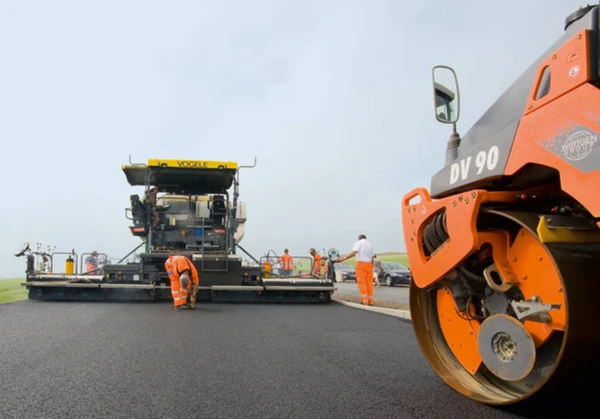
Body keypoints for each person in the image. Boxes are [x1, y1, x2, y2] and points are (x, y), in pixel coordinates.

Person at [337, 234, 375, 305]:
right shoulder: (370, 245)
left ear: (359, 238)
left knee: (362, 283)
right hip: (369, 265)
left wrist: (343, 258)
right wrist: (371, 267)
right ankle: (370, 301)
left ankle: (365, 301)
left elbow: (354, 252)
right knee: (369, 284)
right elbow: (372, 258)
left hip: (361, 264)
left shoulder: (359, 243)